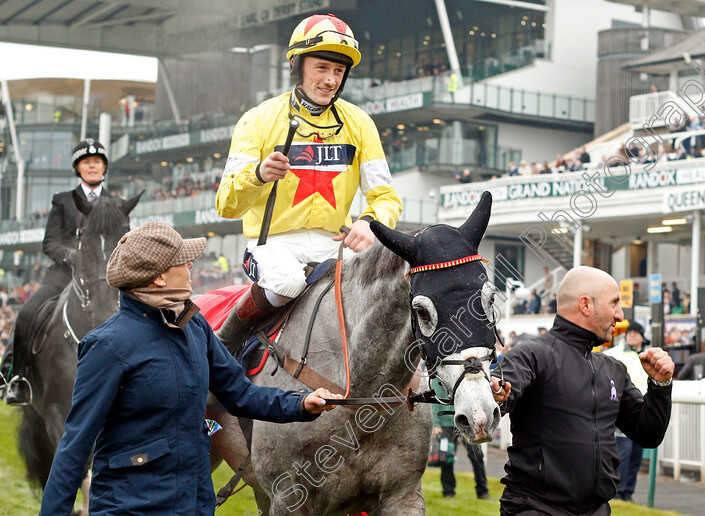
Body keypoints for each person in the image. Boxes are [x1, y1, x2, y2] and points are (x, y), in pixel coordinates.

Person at [39, 222, 341, 514]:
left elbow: (240, 395)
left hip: (194, 503)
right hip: (129, 508)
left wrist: (301, 403)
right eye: (183, 261)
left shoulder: (195, 325)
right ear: (159, 278)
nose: (192, 267)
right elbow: (75, 446)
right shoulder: (105, 346)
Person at [215, 13, 402, 354]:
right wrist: (258, 175)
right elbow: (226, 204)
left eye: (338, 71)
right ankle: (223, 343)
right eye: (321, 68)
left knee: (393, 285)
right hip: (273, 244)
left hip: (336, 244)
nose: (331, 80)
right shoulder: (257, 120)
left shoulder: (360, 123)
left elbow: (386, 196)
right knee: (288, 282)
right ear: (297, 65)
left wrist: (371, 222)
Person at [488, 266, 674, 515]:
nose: (620, 315)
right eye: (614, 303)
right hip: (535, 508)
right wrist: (497, 396)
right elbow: (499, 393)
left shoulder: (613, 369)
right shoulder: (533, 354)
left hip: (597, 510)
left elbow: (649, 434)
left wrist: (660, 385)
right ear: (586, 305)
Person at [3, 139, 115, 405]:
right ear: (78, 168)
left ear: (104, 167)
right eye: (86, 162)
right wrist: (71, 255)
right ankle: (18, 378)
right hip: (64, 276)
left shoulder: (115, 204)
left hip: (105, 280)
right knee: (28, 311)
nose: (92, 166)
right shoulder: (63, 201)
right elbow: (49, 242)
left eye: (97, 162)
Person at [604, 320, 648, 502]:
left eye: (635, 333)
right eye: (630, 333)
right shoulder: (614, 354)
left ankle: (627, 492)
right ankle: (618, 492)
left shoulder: (648, 354)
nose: (632, 335)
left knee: (636, 455)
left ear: (642, 336)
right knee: (624, 453)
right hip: (622, 411)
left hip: (642, 410)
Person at [431, 378, 489, 500]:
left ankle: (482, 491)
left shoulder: (465, 371)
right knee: (446, 459)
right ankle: (448, 492)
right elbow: (435, 400)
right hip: (446, 424)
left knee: (477, 456)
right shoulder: (437, 377)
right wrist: (436, 424)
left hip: (467, 423)